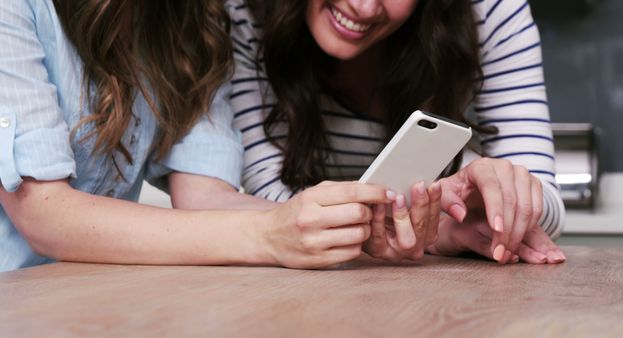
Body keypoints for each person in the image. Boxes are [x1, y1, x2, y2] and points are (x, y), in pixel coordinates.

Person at [0, 0, 403, 272]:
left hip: (88, 300)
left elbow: (204, 197)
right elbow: (42, 212)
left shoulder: (194, 19)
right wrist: (267, 236)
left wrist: (345, 223)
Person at [228, 0, 567, 264]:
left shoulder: (491, 10)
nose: (363, 7)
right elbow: (271, 208)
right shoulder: (248, 12)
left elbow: (546, 208)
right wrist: (435, 231)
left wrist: (501, 197)